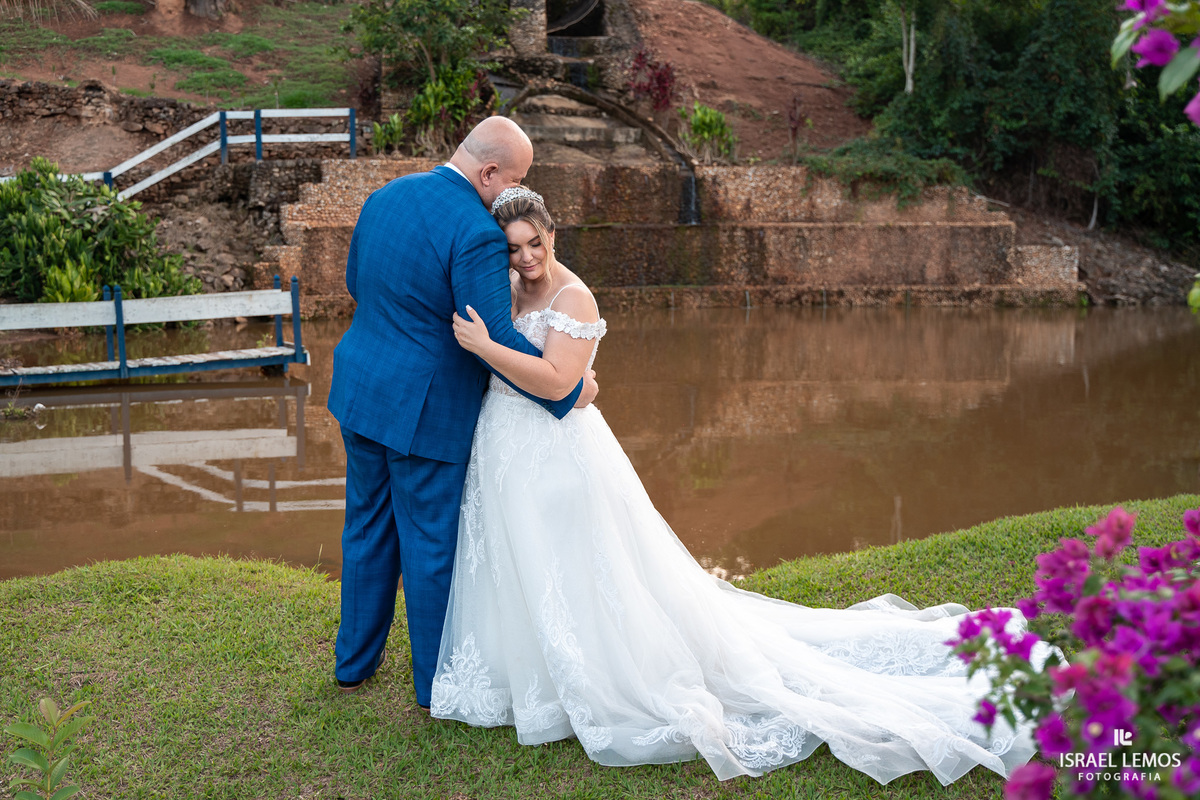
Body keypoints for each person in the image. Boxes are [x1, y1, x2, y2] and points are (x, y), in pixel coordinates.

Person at [431, 187, 1053, 783]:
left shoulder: (574, 299)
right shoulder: (509, 288)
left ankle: (592, 678)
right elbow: (569, 380)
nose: (526, 258)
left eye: (533, 243)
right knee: (525, 563)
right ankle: (526, 679)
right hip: (505, 444)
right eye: (513, 249)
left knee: (579, 567)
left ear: (552, 234)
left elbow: (559, 383)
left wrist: (487, 348)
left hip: (555, 453)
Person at [326, 118, 597, 707]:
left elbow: (356, 283)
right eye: (515, 180)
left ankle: (353, 666)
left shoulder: (386, 194)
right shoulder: (475, 231)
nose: (513, 194)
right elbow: (494, 334)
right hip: (425, 409)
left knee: (366, 528)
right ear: (489, 171)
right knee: (429, 545)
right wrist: (565, 386)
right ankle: (433, 686)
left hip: (360, 390)